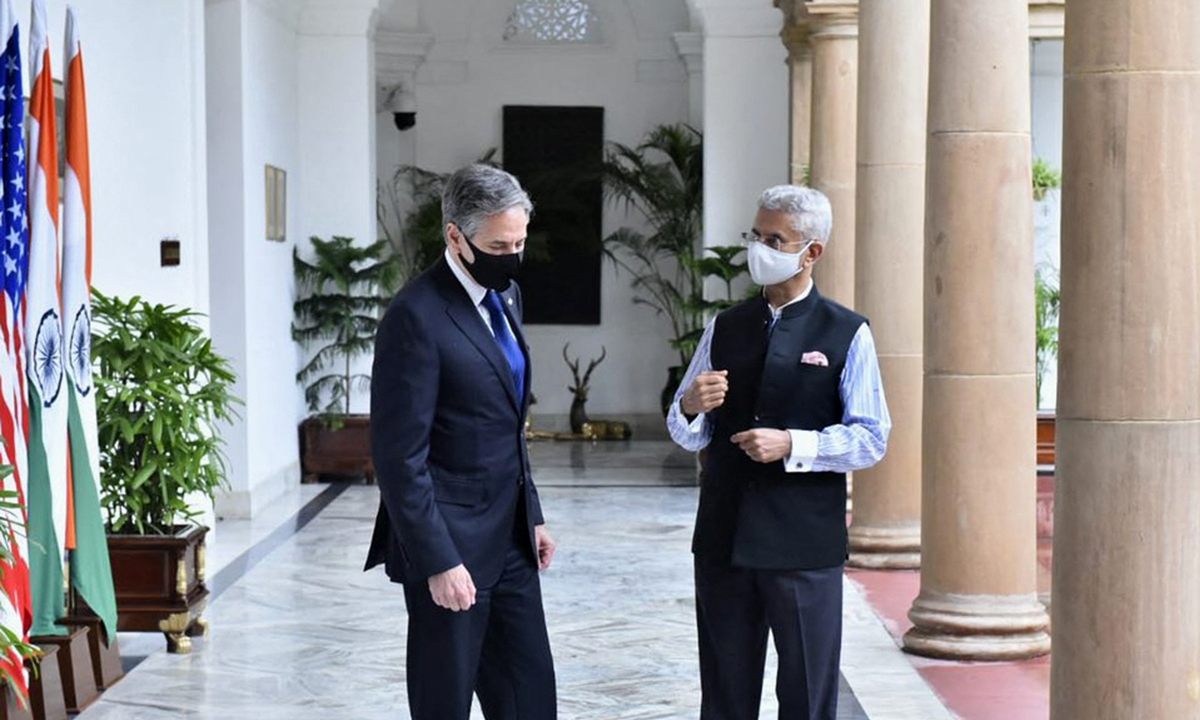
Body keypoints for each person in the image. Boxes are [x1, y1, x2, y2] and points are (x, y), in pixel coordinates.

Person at [667, 185, 891, 720]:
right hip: (724, 538)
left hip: (802, 546)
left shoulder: (847, 332)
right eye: (756, 235)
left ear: (812, 251)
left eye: (775, 239)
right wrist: (692, 405)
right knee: (724, 695)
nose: (759, 248)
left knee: (808, 695)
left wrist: (795, 445)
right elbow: (687, 432)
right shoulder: (725, 325)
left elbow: (872, 437)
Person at [365, 164, 557, 720]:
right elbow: (400, 458)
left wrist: (534, 514)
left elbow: (504, 425)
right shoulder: (415, 317)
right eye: (500, 244)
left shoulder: (508, 296)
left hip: (512, 538)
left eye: (520, 241)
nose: (513, 255)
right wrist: (438, 562)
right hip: (449, 548)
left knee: (530, 699)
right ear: (455, 236)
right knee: (443, 703)